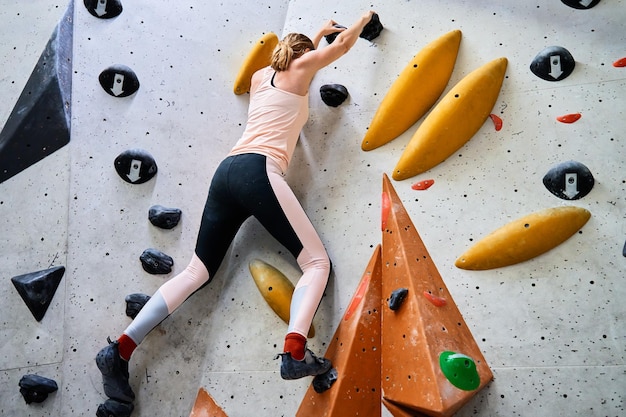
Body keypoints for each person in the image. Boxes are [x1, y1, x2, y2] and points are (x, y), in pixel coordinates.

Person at [96, 10, 378, 408]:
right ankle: (295, 351)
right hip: (257, 171)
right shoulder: (300, 70)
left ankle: (119, 350)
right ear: (302, 55)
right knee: (317, 264)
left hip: (226, 171)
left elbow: (299, 61)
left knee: (197, 272)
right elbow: (345, 45)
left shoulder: (263, 77)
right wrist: (363, 16)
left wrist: (314, 36)